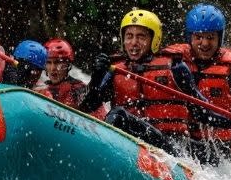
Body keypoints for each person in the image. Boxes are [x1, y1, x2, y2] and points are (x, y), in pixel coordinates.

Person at [79, 9, 206, 156]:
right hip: (132, 142)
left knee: (119, 114)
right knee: (119, 115)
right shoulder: (115, 70)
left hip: (170, 146)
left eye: (141, 37)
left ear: (154, 39)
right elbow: (88, 106)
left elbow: (202, 110)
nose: (133, 43)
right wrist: (97, 75)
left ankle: (99, 153)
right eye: (129, 36)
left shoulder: (176, 67)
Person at [175, 3, 231, 163]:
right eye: (198, 37)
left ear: (219, 38)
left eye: (210, 37)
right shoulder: (175, 64)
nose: (204, 43)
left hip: (222, 146)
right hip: (182, 141)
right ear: (189, 38)